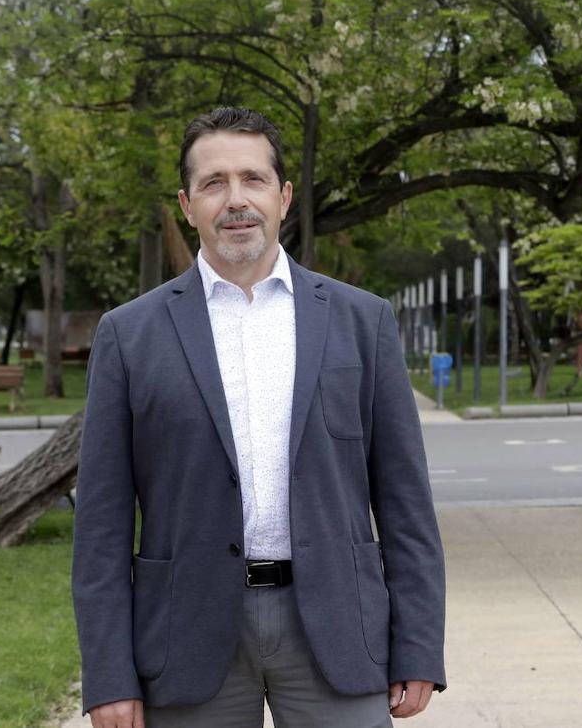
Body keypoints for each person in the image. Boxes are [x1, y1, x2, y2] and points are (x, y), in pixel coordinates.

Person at [72, 107, 446, 728]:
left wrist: (418, 644)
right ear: (188, 205)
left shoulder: (363, 321)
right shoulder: (128, 335)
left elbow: (406, 501)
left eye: (253, 179)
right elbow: (103, 527)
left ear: (284, 196)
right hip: (186, 638)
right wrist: (109, 673)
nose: (236, 199)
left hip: (337, 629)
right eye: (214, 183)